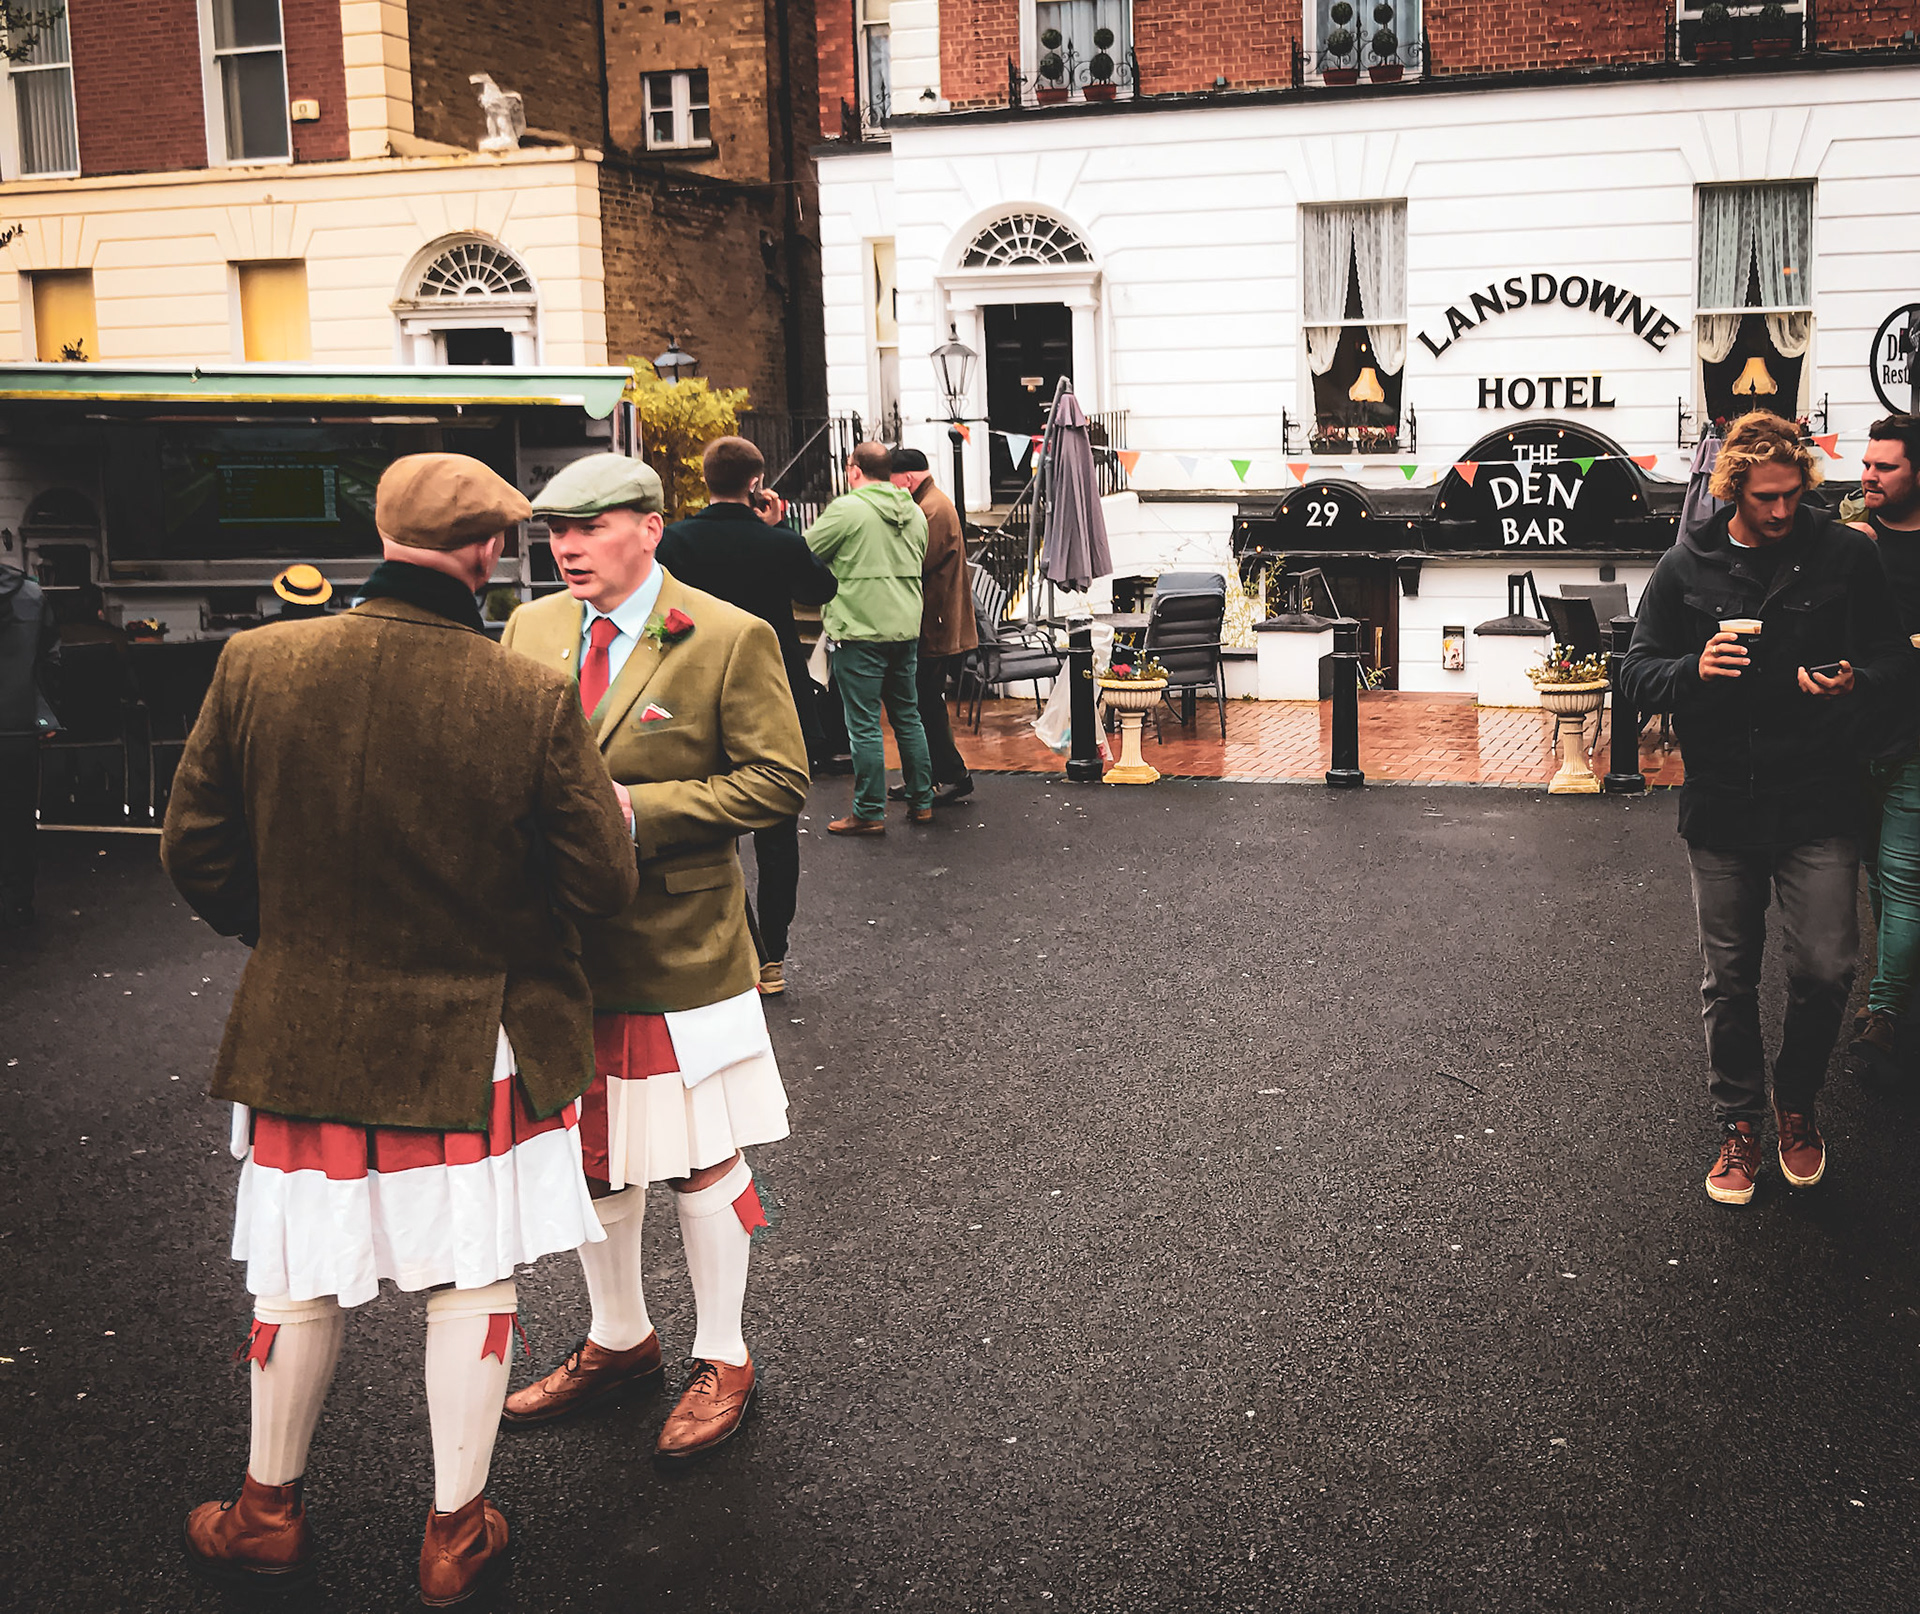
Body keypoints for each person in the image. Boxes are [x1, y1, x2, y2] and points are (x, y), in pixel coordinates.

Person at [161, 454, 638, 1602]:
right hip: (470, 1034)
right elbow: (600, 884)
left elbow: (196, 850)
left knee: (295, 1273)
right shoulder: (523, 694)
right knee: (470, 1278)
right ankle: (454, 1531)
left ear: (377, 529)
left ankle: (266, 1510)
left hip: (300, 1018)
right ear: (488, 554)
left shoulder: (256, 660)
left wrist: (287, 936)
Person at [500, 453, 808, 1461]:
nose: (569, 549)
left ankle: (725, 1354)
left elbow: (777, 784)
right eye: (555, 532)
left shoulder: (727, 637)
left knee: (697, 1154)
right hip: (558, 950)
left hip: (679, 946)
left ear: (651, 526)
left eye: (589, 527)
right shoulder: (530, 629)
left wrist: (639, 813)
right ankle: (620, 1340)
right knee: (593, 1156)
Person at [1619, 410, 1907, 1205]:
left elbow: (1891, 655)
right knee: (1730, 975)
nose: (1781, 513)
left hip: (1819, 794)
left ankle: (1797, 1104)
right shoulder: (1688, 565)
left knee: (1826, 965)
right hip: (1722, 801)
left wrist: (1858, 680)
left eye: (1791, 495)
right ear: (1733, 488)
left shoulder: (1845, 552)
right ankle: (1741, 1123)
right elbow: (1634, 674)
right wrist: (1692, 668)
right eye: (1764, 499)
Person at [657, 436, 839, 995]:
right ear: (756, 483)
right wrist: (779, 529)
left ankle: (731, 944)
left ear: (705, 479)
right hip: (772, 688)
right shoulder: (775, 542)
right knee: (777, 829)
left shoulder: (677, 540)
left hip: (696, 686)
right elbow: (821, 587)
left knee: (710, 826)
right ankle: (773, 957)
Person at [804, 441, 933, 835]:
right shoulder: (913, 511)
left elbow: (806, 551)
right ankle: (922, 800)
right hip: (905, 626)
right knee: (908, 716)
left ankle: (869, 810)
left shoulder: (848, 509)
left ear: (856, 470)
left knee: (863, 725)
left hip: (859, 628)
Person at [1845, 414, 1920, 1080]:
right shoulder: (1852, 539)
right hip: (1855, 735)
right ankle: (1894, 984)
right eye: (1867, 463)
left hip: (1915, 736)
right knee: (1877, 874)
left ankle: (1885, 1014)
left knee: (1902, 878)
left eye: (1885, 467)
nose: (1868, 475)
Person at [886, 447, 976, 806]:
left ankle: (952, 775)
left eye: (893, 482)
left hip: (935, 624)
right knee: (923, 703)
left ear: (907, 478)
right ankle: (928, 777)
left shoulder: (930, 510)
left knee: (924, 703)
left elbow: (914, 562)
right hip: (937, 620)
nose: (891, 489)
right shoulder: (932, 504)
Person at [0, 558, 59, 929]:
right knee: (19, 819)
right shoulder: (32, 594)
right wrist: (44, 714)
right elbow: (49, 660)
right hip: (18, 723)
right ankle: (19, 902)